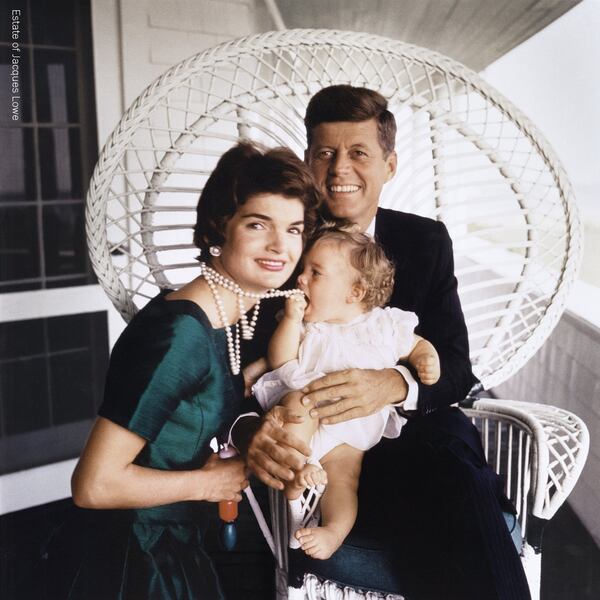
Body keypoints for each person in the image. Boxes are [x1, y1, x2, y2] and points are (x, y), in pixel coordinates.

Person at [235, 86, 532, 600]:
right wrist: (246, 434)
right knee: (447, 516)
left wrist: (395, 384)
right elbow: (232, 370)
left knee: (454, 468)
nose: (339, 169)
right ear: (308, 162)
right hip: (316, 452)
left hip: (412, 440)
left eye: (359, 153)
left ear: (389, 164)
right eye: (325, 153)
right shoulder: (281, 242)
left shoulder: (425, 241)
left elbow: (456, 367)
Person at [47, 141, 320, 599]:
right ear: (220, 229)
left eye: (294, 229)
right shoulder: (179, 334)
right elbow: (93, 484)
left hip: (172, 534)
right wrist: (209, 481)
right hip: (132, 554)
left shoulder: (233, 317)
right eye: (258, 224)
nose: (281, 246)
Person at [252, 225, 440, 560]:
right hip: (307, 412)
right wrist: (291, 321)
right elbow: (281, 361)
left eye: (316, 273)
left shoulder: (383, 326)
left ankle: (334, 531)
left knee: (343, 481)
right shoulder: (307, 324)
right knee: (295, 409)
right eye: (304, 269)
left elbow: (417, 346)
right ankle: (296, 471)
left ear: (353, 293)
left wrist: (426, 359)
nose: (301, 279)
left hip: (351, 431)